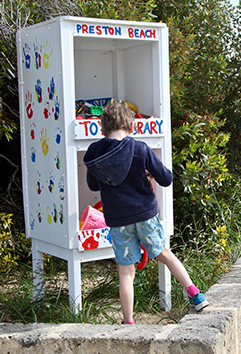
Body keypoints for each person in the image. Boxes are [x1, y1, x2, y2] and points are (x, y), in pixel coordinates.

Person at [83, 99, 208, 324]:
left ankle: (128, 321)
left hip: (118, 220)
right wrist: (146, 171)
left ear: (102, 128)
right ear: (131, 127)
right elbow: (166, 178)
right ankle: (195, 295)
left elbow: (93, 185)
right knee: (164, 254)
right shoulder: (139, 148)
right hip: (144, 215)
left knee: (126, 271)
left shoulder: (95, 152)